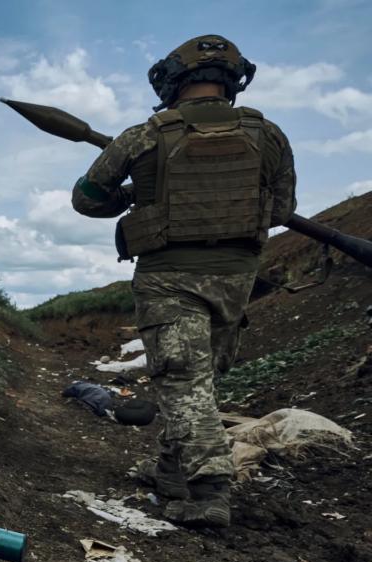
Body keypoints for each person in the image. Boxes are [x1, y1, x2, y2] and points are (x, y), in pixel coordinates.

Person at [71, 35, 297, 528]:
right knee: (195, 384)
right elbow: (280, 209)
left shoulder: (143, 136)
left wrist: (132, 195)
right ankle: (171, 471)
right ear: (233, 79)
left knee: (183, 381)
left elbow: (87, 198)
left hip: (168, 279)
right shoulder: (270, 135)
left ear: (173, 80)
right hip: (236, 279)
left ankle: (208, 493)